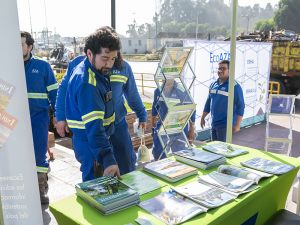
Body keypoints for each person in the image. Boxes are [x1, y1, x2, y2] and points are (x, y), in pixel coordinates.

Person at [65, 27, 146, 181]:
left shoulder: (99, 72)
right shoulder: (88, 83)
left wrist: (141, 114)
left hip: (109, 132)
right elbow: (94, 127)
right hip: (91, 140)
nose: (109, 64)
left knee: (124, 171)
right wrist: (108, 159)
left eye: (113, 59)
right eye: (105, 58)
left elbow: (132, 95)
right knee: (96, 186)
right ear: (89, 53)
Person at [21, 31, 58, 204]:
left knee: (38, 154)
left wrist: (58, 114)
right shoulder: (6, 66)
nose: (17, 47)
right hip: (14, 119)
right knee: (17, 154)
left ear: (29, 46)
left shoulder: (42, 66)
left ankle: (41, 189)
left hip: (38, 118)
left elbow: (54, 93)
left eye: (21, 44)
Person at [200, 60, 245, 142]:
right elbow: (208, 102)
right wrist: (202, 117)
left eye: (223, 68)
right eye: (219, 68)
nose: (220, 70)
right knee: (214, 150)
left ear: (229, 70)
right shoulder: (213, 84)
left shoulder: (234, 86)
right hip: (214, 124)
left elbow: (240, 106)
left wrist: (237, 125)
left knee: (223, 150)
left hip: (226, 126)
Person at [151, 79, 196, 160]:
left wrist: (192, 128)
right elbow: (155, 106)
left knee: (182, 156)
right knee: (159, 154)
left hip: (179, 128)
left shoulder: (182, 90)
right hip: (163, 127)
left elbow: (191, 108)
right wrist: (153, 120)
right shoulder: (158, 90)